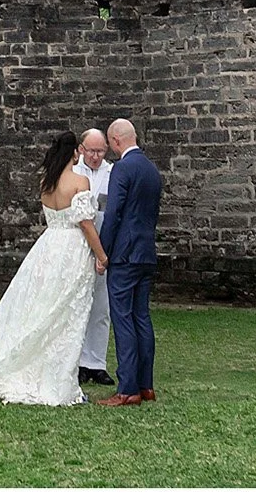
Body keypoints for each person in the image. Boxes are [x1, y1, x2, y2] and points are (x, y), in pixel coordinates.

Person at [0, 131, 110, 406]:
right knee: (66, 312)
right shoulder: (80, 181)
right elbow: (85, 223)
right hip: (71, 250)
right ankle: (58, 376)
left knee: (41, 305)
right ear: (75, 153)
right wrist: (101, 255)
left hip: (48, 246)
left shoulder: (47, 182)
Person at [95, 117, 162, 407]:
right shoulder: (151, 170)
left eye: (110, 144)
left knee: (122, 319)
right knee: (141, 318)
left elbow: (113, 215)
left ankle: (127, 389)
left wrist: (103, 252)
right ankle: (146, 385)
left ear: (116, 140)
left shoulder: (123, 168)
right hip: (146, 252)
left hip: (124, 254)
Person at [71, 128, 115, 386]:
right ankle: (76, 361)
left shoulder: (112, 173)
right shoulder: (74, 172)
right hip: (77, 241)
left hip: (104, 242)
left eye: (100, 151)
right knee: (76, 303)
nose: (96, 157)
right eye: (91, 151)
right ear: (81, 149)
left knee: (101, 305)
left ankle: (96, 362)